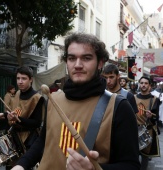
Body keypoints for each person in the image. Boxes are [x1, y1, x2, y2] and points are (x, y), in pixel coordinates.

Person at [11, 33, 140, 170]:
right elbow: (44, 140)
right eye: (72, 58)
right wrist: (21, 164)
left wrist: (94, 168)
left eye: (86, 58)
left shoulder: (119, 107)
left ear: (100, 63)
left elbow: (131, 165)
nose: (78, 65)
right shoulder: (53, 100)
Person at [0, 66, 45, 169]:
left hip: (27, 141)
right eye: (18, 78)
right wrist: (4, 115)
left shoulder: (37, 98)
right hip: (13, 137)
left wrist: (18, 120)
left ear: (31, 79)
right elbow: (17, 112)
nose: (20, 82)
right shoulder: (17, 93)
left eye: (24, 78)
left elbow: (36, 123)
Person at [134, 76, 160, 170]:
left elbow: (156, 117)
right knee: (134, 155)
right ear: (139, 84)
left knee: (145, 156)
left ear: (149, 85)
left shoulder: (154, 99)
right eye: (141, 83)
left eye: (146, 83)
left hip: (147, 131)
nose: (143, 85)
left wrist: (151, 116)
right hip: (134, 131)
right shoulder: (133, 98)